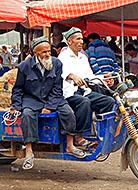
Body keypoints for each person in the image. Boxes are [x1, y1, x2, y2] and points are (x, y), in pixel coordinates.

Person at [11, 36, 82, 170]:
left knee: (68, 112)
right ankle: (29, 151)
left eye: (49, 51)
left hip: (53, 98)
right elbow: (18, 89)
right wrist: (15, 105)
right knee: (26, 114)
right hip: (32, 99)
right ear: (35, 53)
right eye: (44, 52)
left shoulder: (56, 63)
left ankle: (70, 145)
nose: (47, 54)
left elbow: (57, 88)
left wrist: (50, 106)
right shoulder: (24, 66)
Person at [58, 27, 115, 146]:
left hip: (85, 91)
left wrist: (105, 78)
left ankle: (103, 133)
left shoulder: (83, 57)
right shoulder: (63, 57)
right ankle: (79, 136)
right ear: (70, 41)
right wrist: (72, 76)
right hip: (70, 93)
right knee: (84, 102)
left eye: (82, 39)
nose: (81, 41)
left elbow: (91, 76)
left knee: (108, 101)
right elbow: (63, 73)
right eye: (78, 39)